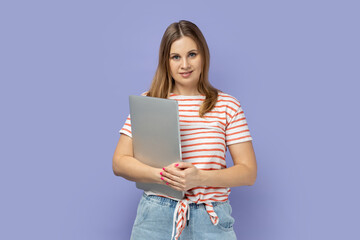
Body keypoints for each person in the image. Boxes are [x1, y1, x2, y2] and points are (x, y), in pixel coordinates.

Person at [112, 20, 257, 240]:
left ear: (203, 56)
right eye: (175, 57)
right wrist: (162, 176)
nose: (185, 65)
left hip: (210, 218)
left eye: (192, 54)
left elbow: (248, 172)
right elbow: (119, 162)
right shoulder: (150, 102)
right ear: (166, 61)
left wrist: (199, 178)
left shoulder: (228, 105)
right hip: (156, 216)